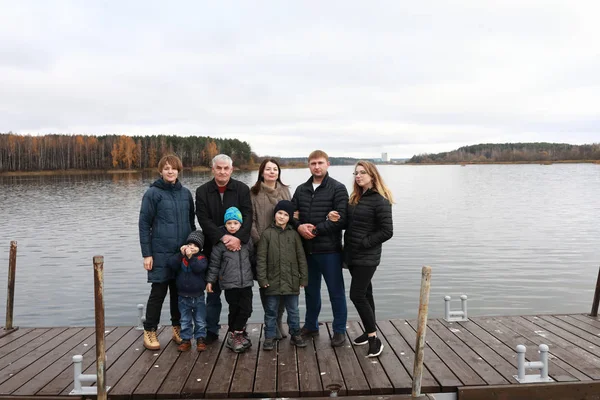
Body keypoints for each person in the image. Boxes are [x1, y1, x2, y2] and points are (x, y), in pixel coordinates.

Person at [328, 160, 393, 357]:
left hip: (367, 256)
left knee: (356, 295)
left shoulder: (381, 200)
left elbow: (387, 231)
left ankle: (374, 338)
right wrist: (336, 218)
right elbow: (349, 222)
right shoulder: (356, 197)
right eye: (356, 173)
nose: (358, 176)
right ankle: (368, 330)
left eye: (363, 172)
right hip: (353, 254)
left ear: (372, 175)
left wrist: (365, 242)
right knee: (366, 293)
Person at [291, 150, 349, 347]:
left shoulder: (338, 189)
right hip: (307, 251)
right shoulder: (300, 190)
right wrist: (298, 226)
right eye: (313, 163)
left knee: (336, 292)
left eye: (320, 163)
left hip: (330, 251)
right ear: (309, 165)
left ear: (328, 164)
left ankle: (339, 330)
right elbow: (291, 214)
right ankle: (311, 325)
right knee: (311, 292)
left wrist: (314, 230)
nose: (317, 166)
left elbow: (341, 219)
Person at [139, 154, 196, 350]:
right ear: (160, 171)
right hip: (160, 253)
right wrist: (147, 254)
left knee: (178, 293)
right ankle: (150, 330)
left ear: (179, 170)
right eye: (166, 168)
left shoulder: (186, 193)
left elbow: (191, 223)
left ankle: (177, 327)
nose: (170, 171)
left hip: (181, 254)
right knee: (158, 292)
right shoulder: (152, 193)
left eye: (173, 168)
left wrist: (193, 246)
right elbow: (144, 224)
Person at [195, 154, 253, 344]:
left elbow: (248, 216)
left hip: (237, 251)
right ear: (213, 169)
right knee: (213, 295)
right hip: (214, 250)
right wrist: (223, 237)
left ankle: (238, 330)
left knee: (238, 297)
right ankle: (211, 330)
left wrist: (238, 240)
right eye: (218, 168)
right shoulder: (203, 191)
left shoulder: (242, 189)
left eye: (225, 168)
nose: (222, 171)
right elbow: (204, 220)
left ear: (231, 169)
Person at [257, 200, 308, 351]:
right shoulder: (267, 234)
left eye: (286, 214)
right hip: (272, 281)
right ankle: (269, 337)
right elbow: (261, 259)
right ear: (275, 214)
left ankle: (296, 334)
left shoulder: (294, 235)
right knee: (271, 310)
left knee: (293, 310)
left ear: (290, 217)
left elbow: (301, 257)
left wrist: (303, 278)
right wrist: (262, 279)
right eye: (279, 213)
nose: (282, 217)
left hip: (292, 280)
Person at [250, 158, 291, 339]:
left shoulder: (285, 191)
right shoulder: (253, 192)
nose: (272, 172)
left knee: (282, 285)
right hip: (262, 247)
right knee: (266, 285)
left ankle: (278, 321)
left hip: (283, 247)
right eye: (268, 169)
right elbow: (249, 221)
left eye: (275, 169)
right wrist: (259, 242)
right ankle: (270, 322)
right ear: (262, 172)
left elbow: (292, 216)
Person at [206, 207, 254, 353]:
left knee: (247, 308)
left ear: (240, 225)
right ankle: (234, 335)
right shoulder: (221, 244)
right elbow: (214, 264)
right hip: (229, 283)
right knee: (234, 309)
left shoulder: (246, 240)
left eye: (235, 223)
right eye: (229, 223)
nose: (232, 226)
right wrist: (210, 281)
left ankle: (237, 332)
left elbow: (252, 258)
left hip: (245, 282)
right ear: (225, 225)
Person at [167, 230, 208, 352]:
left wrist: (191, 257)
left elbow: (198, 268)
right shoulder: (181, 258)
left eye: (195, 246)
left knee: (200, 319)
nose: (192, 248)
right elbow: (171, 264)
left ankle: (200, 339)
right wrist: (181, 254)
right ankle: (186, 340)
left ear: (200, 248)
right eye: (190, 245)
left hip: (198, 296)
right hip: (183, 296)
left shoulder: (201, 258)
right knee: (184, 319)